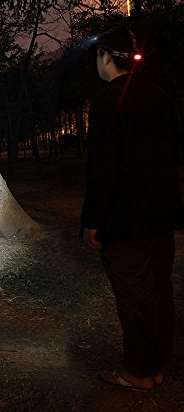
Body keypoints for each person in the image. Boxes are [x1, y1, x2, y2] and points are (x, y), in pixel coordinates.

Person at [81, 25, 184, 390]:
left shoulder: (106, 103)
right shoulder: (161, 98)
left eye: (98, 55)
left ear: (107, 57)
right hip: (161, 217)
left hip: (125, 221)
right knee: (159, 292)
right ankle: (156, 366)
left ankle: (139, 372)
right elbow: (174, 156)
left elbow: (102, 169)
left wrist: (92, 221)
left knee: (135, 297)